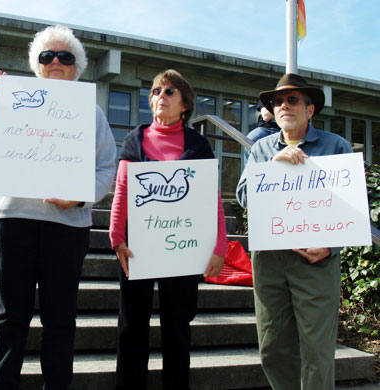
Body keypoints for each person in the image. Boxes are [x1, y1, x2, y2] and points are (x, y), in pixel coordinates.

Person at [0, 25, 117, 389]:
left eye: (65, 57)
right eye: (47, 56)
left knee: (60, 319)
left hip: (68, 226)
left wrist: (79, 196)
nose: (56, 62)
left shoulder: (92, 112)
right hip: (15, 220)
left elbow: (107, 166)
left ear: (78, 67)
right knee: (11, 318)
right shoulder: (12, 100)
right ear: (36, 65)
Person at [109, 69, 228, 390]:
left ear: (185, 104)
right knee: (132, 325)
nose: (160, 97)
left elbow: (211, 198)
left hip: (183, 250)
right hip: (137, 248)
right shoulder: (136, 139)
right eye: (156, 91)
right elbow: (122, 190)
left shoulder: (198, 144)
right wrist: (116, 237)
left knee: (177, 326)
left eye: (169, 92)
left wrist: (220, 247)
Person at [236, 73, 352, 389]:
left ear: (310, 110)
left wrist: (331, 247)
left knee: (317, 349)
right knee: (273, 345)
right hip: (270, 259)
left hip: (317, 261)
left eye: (292, 99)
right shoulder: (260, 149)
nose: (283, 105)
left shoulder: (335, 146)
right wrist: (274, 167)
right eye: (278, 101)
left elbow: (351, 206)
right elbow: (244, 197)